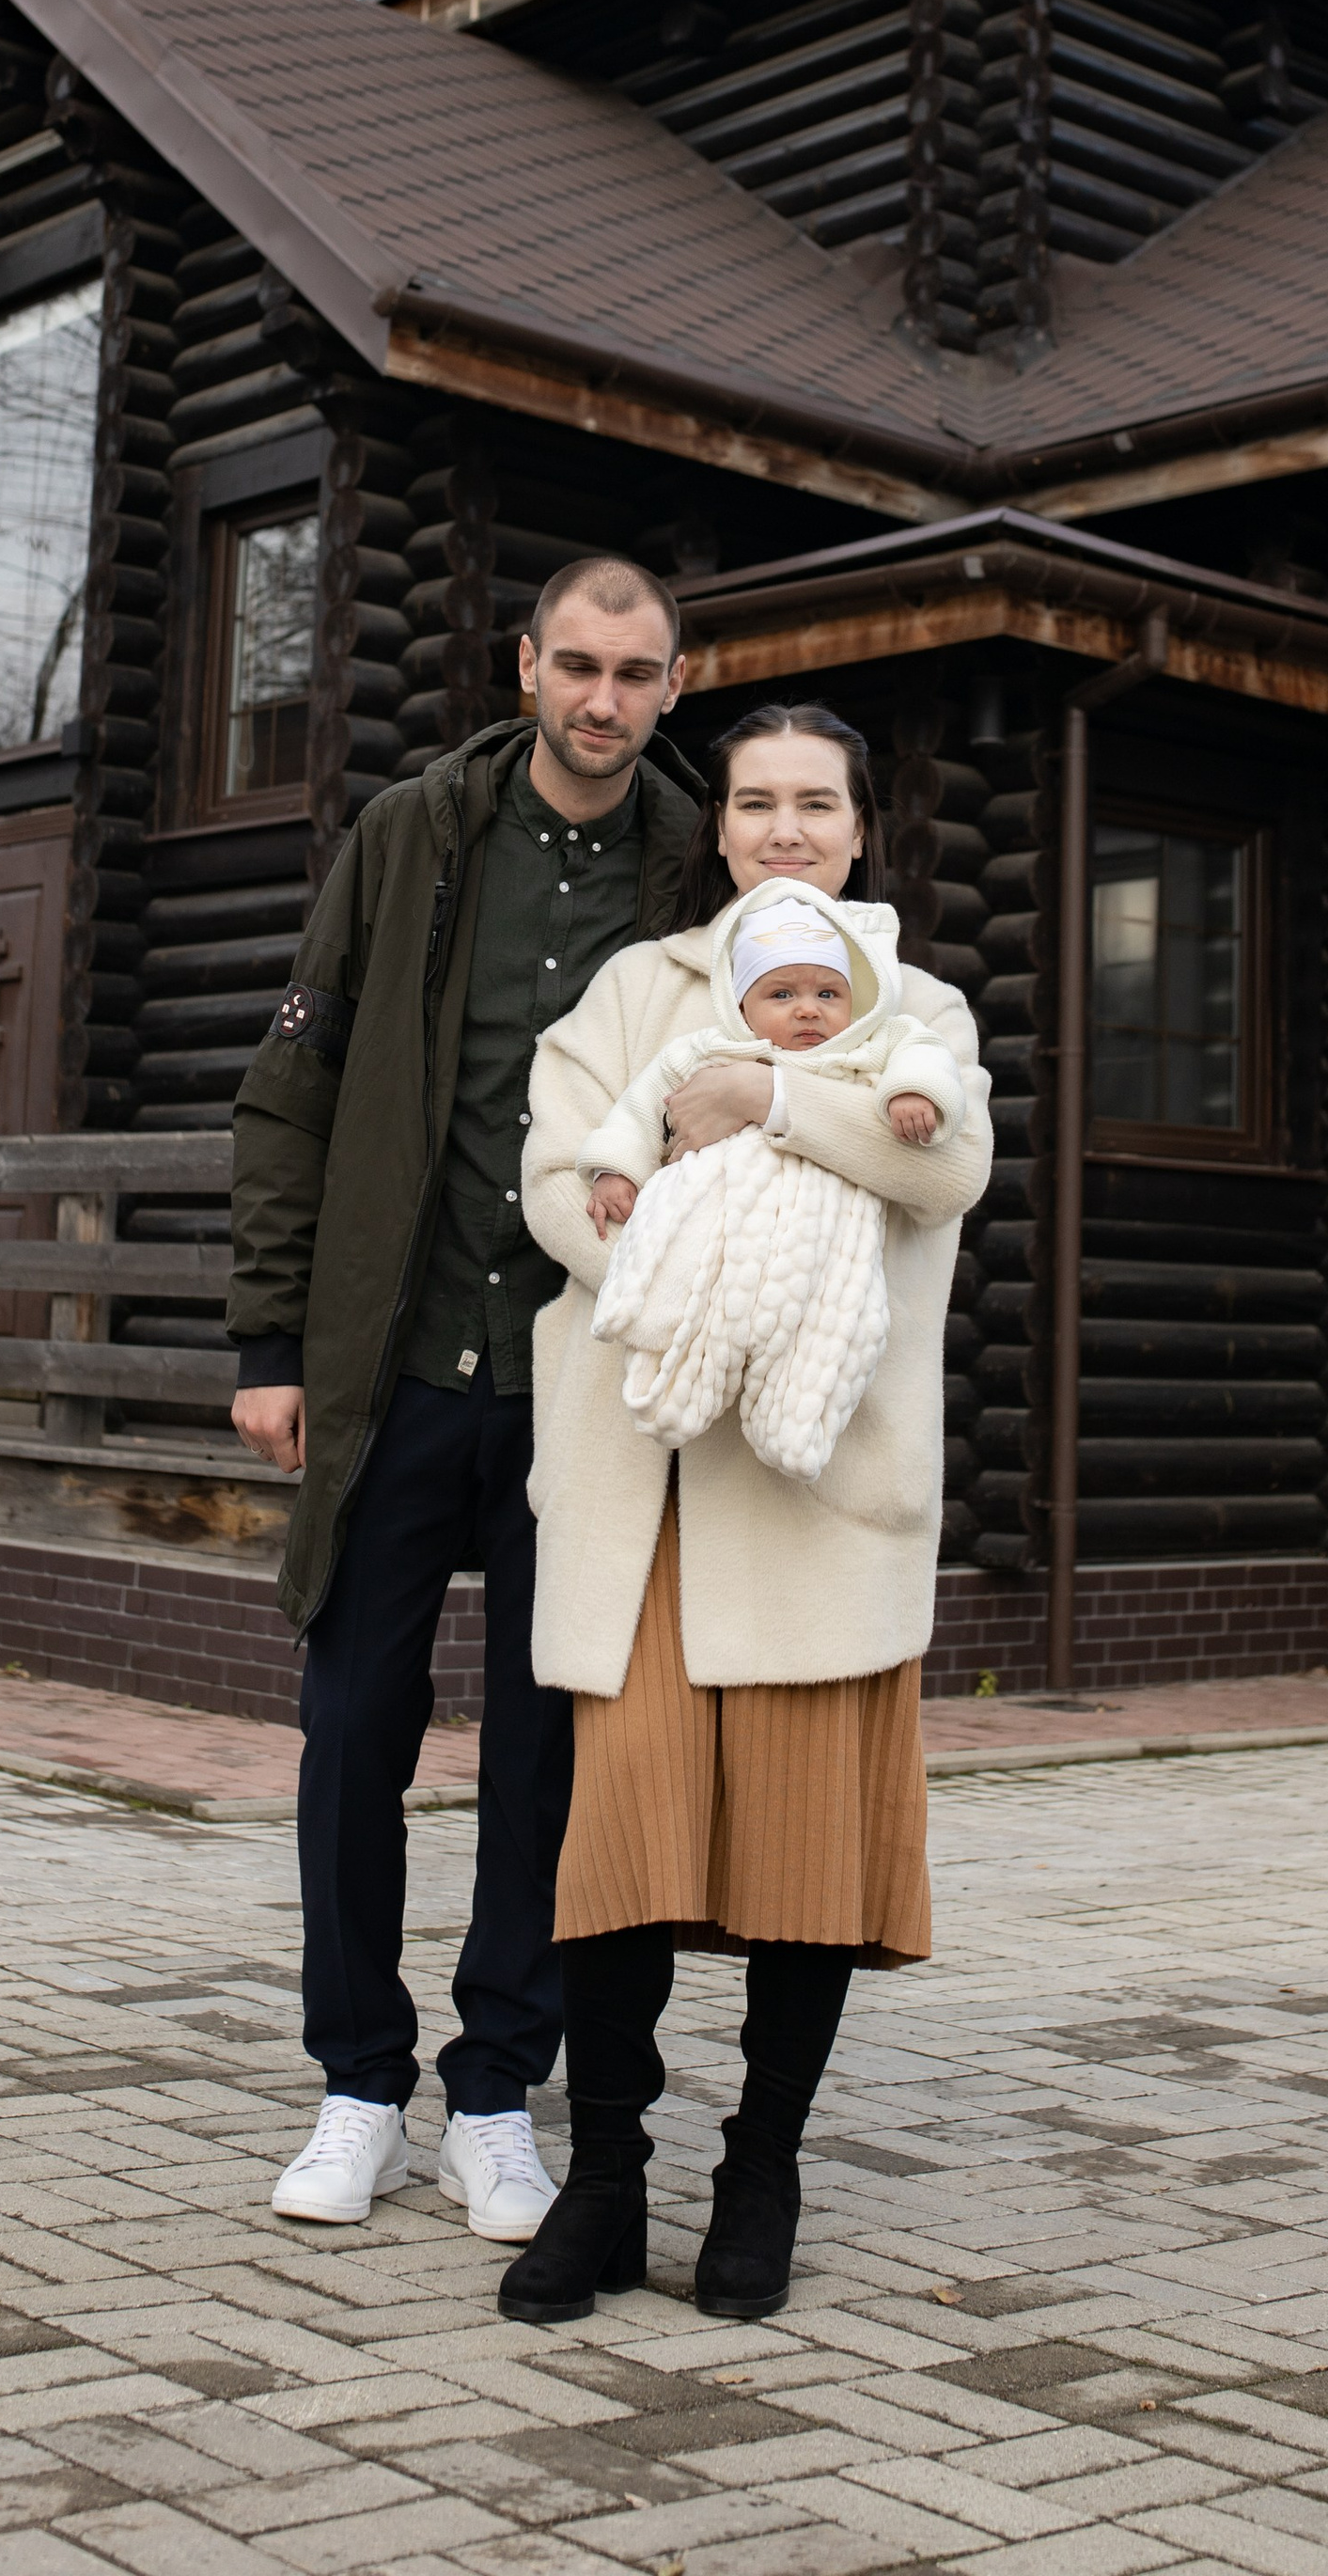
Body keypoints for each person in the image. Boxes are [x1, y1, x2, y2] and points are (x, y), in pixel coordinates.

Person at [227, 558, 702, 2241]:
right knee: (353, 1731)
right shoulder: (413, 837)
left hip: (587, 1385)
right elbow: (290, 1093)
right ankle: (358, 2084)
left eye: (636, 673)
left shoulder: (695, 867)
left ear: (672, 684)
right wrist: (270, 1346)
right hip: (401, 1363)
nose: (603, 699)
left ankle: (496, 2092)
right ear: (525, 664)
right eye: (577, 664)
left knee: (546, 1751)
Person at [506, 704, 992, 2324]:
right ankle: (610, 2173)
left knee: (803, 1862)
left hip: (820, 1486)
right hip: (651, 1476)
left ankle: (762, 2167)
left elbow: (943, 1171)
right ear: (717, 828)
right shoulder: (637, 992)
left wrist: (766, 1108)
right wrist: (689, 1238)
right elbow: (563, 1180)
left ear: (861, 829)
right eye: (758, 801)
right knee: (624, 1845)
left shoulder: (917, 1007)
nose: (786, 826)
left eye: (819, 802)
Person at [578, 878, 967, 1479]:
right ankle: (669, 1396)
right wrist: (616, 1170)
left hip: (829, 1245)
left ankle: (796, 1428)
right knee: (690, 1316)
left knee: (832, 1329)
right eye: (781, 992)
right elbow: (640, 1104)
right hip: (717, 1244)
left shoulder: (867, 1046)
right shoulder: (708, 1052)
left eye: (828, 993)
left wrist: (914, 1092)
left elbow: (922, 1052)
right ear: (740, 1006)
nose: (808, 1009)